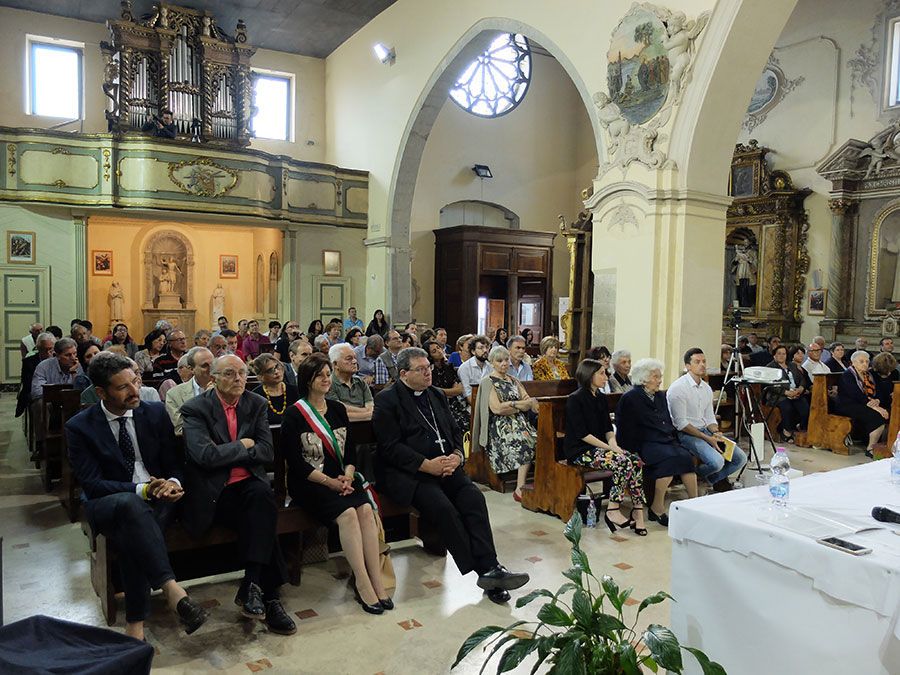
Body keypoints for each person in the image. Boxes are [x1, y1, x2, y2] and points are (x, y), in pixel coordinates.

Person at [65, 353, 208, 639]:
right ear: (101, 392)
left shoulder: (153, 412)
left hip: (159, 500)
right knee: (132, 507)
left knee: (135, 532)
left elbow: (172, 463)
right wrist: (143, 489)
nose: (135, 391)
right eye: (123, 387)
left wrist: (172, 482)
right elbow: (93, 485)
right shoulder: (80, 427)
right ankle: (171, 589)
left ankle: (136, 626)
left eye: (136, 381)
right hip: (109, 503)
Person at [372, 347, 529, 604]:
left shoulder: (435, 394)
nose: (428, 373)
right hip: (411, 473)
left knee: (474, 499)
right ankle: (486, 571)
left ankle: (491, 568)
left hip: (446, 467)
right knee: (444, 508)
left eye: (428, 368)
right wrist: (426, 465)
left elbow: (455, 430)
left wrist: (457, 455)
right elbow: (390, 447)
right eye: (421, 369)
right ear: (403, 374)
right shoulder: (387, 399)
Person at [180, 354, 296, 635]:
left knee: (260, 497)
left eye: (243, 373)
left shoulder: (255, 404)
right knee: (262, 511)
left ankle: (253, 586)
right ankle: (269, 597)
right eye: (230, 374)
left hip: (249, 487)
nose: (239, 379)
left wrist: (227, 451)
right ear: (214, 378)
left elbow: (267, 452)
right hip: (216, 493)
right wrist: (244, 445)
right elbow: (204, 456)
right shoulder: (195, 409)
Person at [281, 353, 393, 614]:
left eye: (328, 374)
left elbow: (351, 453)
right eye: (320, 375)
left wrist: (348, 474)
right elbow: (296, 463)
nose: (326, 379)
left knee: (365, 510)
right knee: (348, 515)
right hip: (309, 482)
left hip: (342, 479)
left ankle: (377, 579)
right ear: (308, 380)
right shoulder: (294, 414)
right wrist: (331, 482)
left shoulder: (338, 409)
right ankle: (363, 582)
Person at [564, 359, 647, 535]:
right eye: (602, 373)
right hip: (580, 450)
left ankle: (638, 510)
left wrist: (613, 444)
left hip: (600, 448)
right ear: (589, 375)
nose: (606, 376)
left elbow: (607, 428)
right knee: (623, 462)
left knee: (635, 461)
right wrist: (611, 449)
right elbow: (582, 434)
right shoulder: (575, 399)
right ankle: (613, 509)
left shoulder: (600, 397)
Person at [614, 358, 698, 526]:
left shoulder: (659, 395)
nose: (660, 380)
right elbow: (625, 428)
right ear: (643, 379)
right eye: (656, 377)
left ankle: (694, 504)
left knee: (686, 457)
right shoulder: (631, 398)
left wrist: (672, 438)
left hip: (664, 440)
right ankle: (657, 508)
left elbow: (666, 421)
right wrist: (631, 453)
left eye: (660, 376)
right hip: (644, 444)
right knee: (669, 461)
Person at [667, 348, 747, 492]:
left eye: (704, 361)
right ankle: (689, 476)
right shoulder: (678, 388)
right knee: (717, 462)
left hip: (705, 431)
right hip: (687, 433)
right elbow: (681, 424)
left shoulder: (706, 388)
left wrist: (716, 433)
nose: (702, 365)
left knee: (740, 458)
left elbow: (709, 416)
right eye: (697, 362)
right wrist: (707, 438)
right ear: (688, 366)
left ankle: (704, 478)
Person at [475, 346, 537, 500]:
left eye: (506, 359)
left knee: (542, 441)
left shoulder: (513, 380)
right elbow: (497, 409)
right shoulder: (488, 382)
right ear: (491, 363)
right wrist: (517, 405)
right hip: (500, 427)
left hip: (522, 423)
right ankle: (520, 488)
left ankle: (541, 484)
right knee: (524, 443)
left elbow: (529, 402)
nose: (504, 363)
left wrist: (512, 405)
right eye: (499, 360)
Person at [837, 350, 889, 458]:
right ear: (853, 363)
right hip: (848, 405)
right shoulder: (848, 375)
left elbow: (878, 392)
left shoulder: (869, 375)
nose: (865, 364)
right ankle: (871, 448)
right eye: (861, 361)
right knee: (877, 417)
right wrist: (876, 407)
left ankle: (883, 444)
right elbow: (855, 394)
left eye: (867, 361)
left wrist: (878, 401)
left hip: (864, 403)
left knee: (889, 411)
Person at [165, 347, 215, 434]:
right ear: (191, 369)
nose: (211, 369)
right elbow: (179, 429)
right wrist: (206, 399)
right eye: (205, 366)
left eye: (213, 364)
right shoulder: (174, 394)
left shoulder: (225, 390)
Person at [765, 344, 810, 442]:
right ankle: (787, 431)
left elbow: (802, 379)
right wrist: (786, 392)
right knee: (788, 408)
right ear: (774, 355)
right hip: (779, 395)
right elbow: (771, 385)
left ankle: (801, 429)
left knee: (805, 408)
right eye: (779, 354)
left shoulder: (792, 365)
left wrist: (801, 388)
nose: (782, 356)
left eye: (784, 354)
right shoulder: (770, 367)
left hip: (795, 394)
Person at [425, 339, 470, 432]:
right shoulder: (429, 371)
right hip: (438, 405)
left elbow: (459, 389)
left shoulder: (448, 366)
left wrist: (444, 391)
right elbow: (431, 391)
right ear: (430, 356)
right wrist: (451, 392)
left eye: (438, 348)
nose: (438, 351)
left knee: (468, 422)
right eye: (434, 351)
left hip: (454, 403)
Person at [327, 344, 374, 421]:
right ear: (335, 364)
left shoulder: (361, 382)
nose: (355, 361)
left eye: (355, 358)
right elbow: (338, 411)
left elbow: (371, 406)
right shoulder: (328, 384)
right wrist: (366, 412)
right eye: (349, 359)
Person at [251, 353, 299, 425]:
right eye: (270, 370)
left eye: (277, 366)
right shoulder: (255, 397)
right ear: (261, 376)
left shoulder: (296, 391)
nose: (276, 371)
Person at [16, 332, 55, 419]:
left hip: (55, 391)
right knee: (42, 404)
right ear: (38, 348)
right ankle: (42, 431)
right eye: (44, 349)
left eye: (51, 349)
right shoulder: (29, 362)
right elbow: (27, 384)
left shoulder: (58, 359)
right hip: (36, 392)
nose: (48, 353)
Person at [31, 337, 82, 402]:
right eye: (68, 355)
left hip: (71, 401)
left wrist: (73, 372)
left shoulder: (78, 366)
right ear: (58, 356)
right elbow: (37, 392)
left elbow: (81, 390)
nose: (73, 358)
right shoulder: (43, 366)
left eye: (74, 353)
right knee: (40, 403)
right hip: (50, 401)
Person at [457, 335, 493, 404]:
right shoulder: (465, 368)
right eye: (481, 348)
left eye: (487, 347)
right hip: (469, 405)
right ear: (473, 351)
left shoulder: (490, 367)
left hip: (489, 402)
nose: (485, 350)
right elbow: (469, 396)